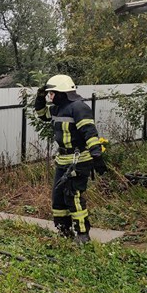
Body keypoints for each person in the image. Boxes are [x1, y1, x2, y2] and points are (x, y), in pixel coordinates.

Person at [34, 74, 107, 244]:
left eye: (52, 93)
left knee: (73, 196)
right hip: (63, 160)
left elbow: (89, 132)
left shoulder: (79, 108)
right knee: (58, 197)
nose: (50, 96)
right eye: (49, 93)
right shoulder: (57, 109)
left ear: (62, 93)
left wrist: (96, 156)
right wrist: (39, 97)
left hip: (79, 160)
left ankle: (82, 233)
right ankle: (63, 230)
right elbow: (42, 115)